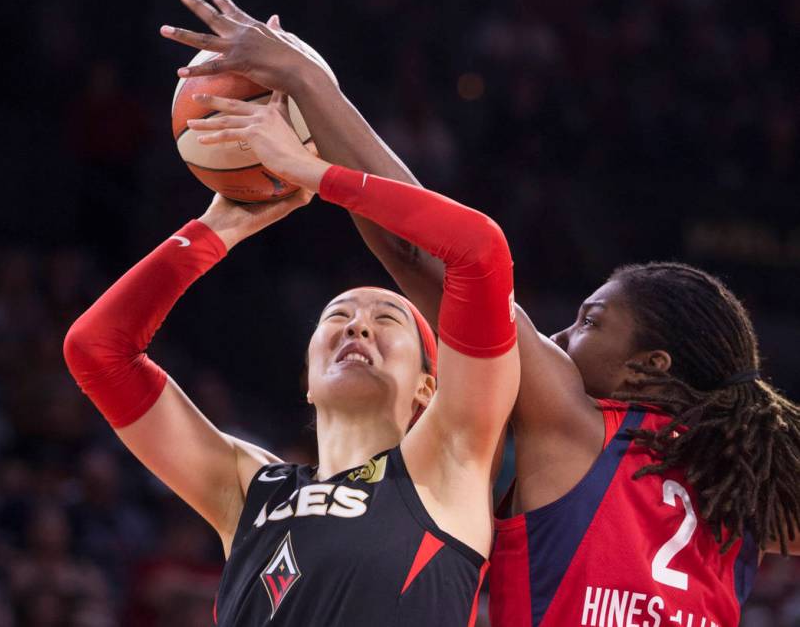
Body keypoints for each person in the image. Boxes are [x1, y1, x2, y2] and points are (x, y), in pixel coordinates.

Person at [160, 0, 800, 627]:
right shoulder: (744, 484)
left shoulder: (572, 422)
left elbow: (422, 253)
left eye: (589, 323)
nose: (559, 334)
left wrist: (306, 85)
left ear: (647, 367)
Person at [64, 83, 520, 626]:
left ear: (429, 384)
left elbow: (478, 251)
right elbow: (96, 350)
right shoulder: (249, 488)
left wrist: (314, 174)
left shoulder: (449, 461)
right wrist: (218, 228)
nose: (358, 326)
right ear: (308, 378)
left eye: (387, 319)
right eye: (337, 317)